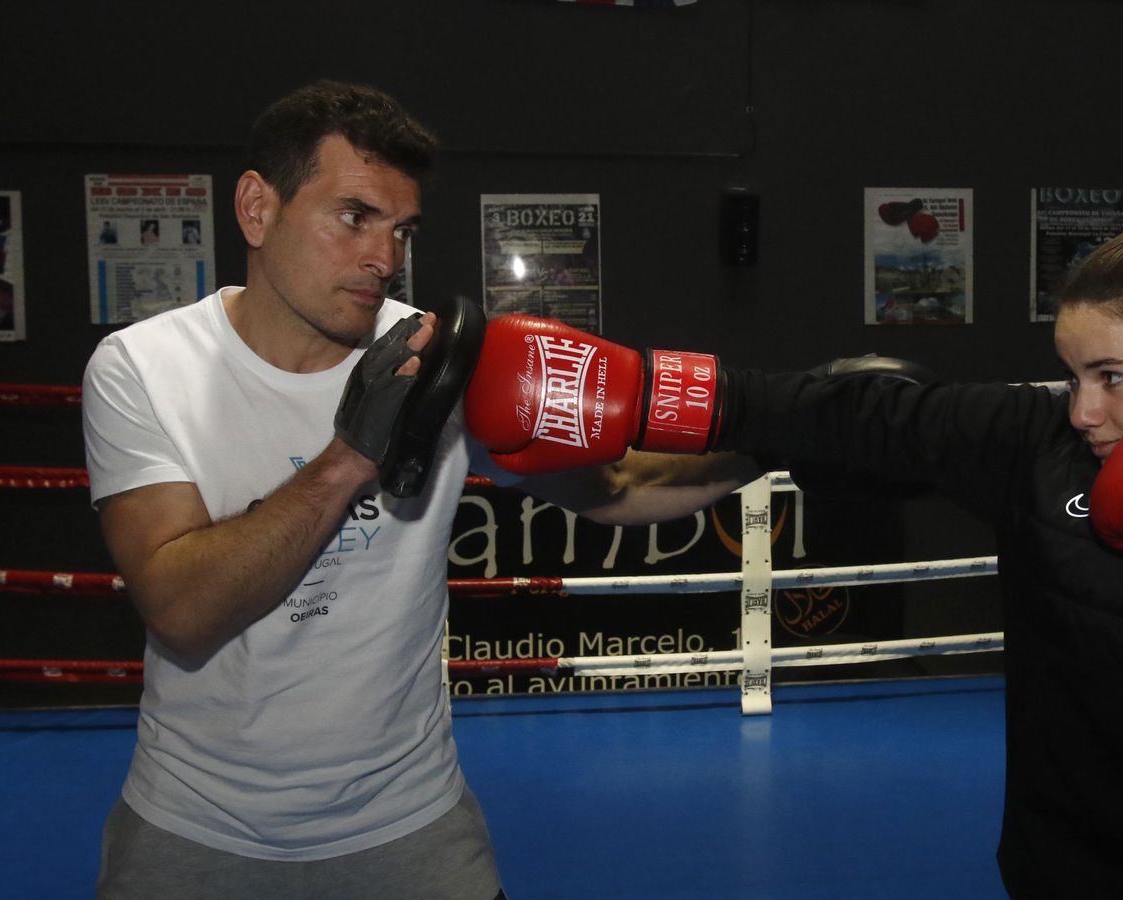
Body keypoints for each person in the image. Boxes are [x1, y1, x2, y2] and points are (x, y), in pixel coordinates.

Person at [461, 197, 1123, 898]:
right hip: (1059, 875)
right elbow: (863, 413)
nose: (1083, 409)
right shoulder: (1032, 448)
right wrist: (654, 390)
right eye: (1072, 374)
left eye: (1112, 377)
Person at [81, 80, 755, 900]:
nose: (384, 257)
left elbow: (617, 489)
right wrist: (348, 457)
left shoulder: (437, 361)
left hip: (408, 824)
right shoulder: (145, 368)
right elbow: (182, 610)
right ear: (257, 209)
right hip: (195, 831)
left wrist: (789, 441)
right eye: (354, 217)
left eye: (401, 229)